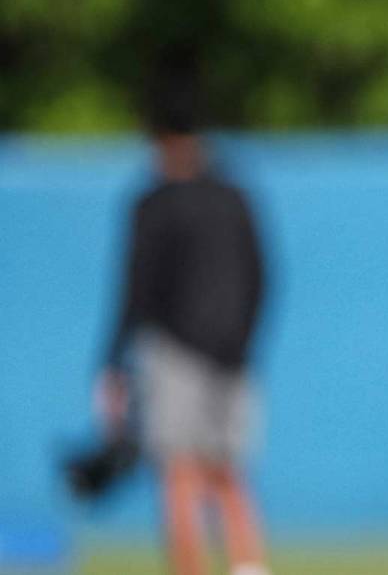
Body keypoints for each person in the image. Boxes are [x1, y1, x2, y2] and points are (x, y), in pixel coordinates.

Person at [96, 84, 270, 575]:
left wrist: (111, 363)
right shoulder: (235, 197)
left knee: (180, 474)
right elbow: (261, 277)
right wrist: (241, 342)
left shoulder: (154, 203)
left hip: (174, 352)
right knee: (229, 473)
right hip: (234, 356)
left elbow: (137, 289)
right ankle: (249, 567)